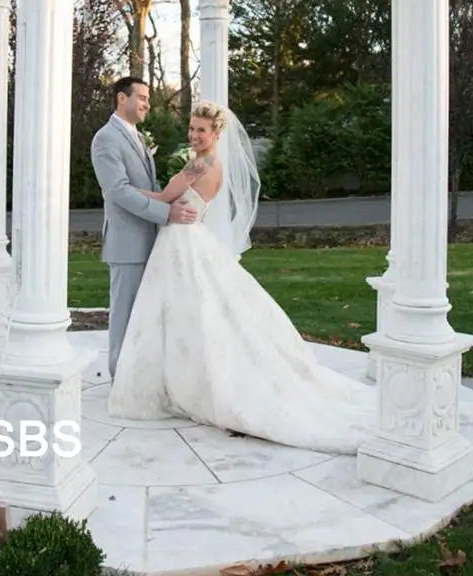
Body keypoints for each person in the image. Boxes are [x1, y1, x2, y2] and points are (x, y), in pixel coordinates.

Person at [106, 101, 376, 454]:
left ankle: (186, 380)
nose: (194, 134)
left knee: (184, 311)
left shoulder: (199, 164)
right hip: (190, 237)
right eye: (191, 128)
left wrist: (119, 190)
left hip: (181, 241)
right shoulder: (215, 164)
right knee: (195, 310)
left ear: (216, 133)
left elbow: (162, 197)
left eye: (201, 130)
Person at [90, 77, 197, 383]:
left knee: (147, 316)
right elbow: (119, 191)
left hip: (150, 239)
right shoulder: (106, 138)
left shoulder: (135, 136)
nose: (148, 104)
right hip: (127, 243)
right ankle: (120, 380)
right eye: (142, 97)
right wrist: (167, 213)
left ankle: (141, 378)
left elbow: (149, 188)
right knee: (125, 316)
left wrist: (178, 198)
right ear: (121, 99)